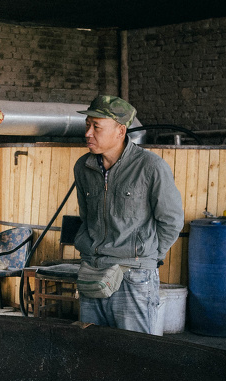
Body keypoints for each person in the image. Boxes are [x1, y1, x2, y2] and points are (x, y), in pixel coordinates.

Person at [72, 95, 184, 333]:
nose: (88, 133)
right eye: (87, 125)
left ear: (120, 131)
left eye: (96, 127)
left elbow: (171, 221)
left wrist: (146, 258)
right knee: (92, 352)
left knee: (136, 355)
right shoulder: (83, 167)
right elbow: (87, 217)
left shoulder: (151, 167)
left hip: (133, 277)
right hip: (93, 271)